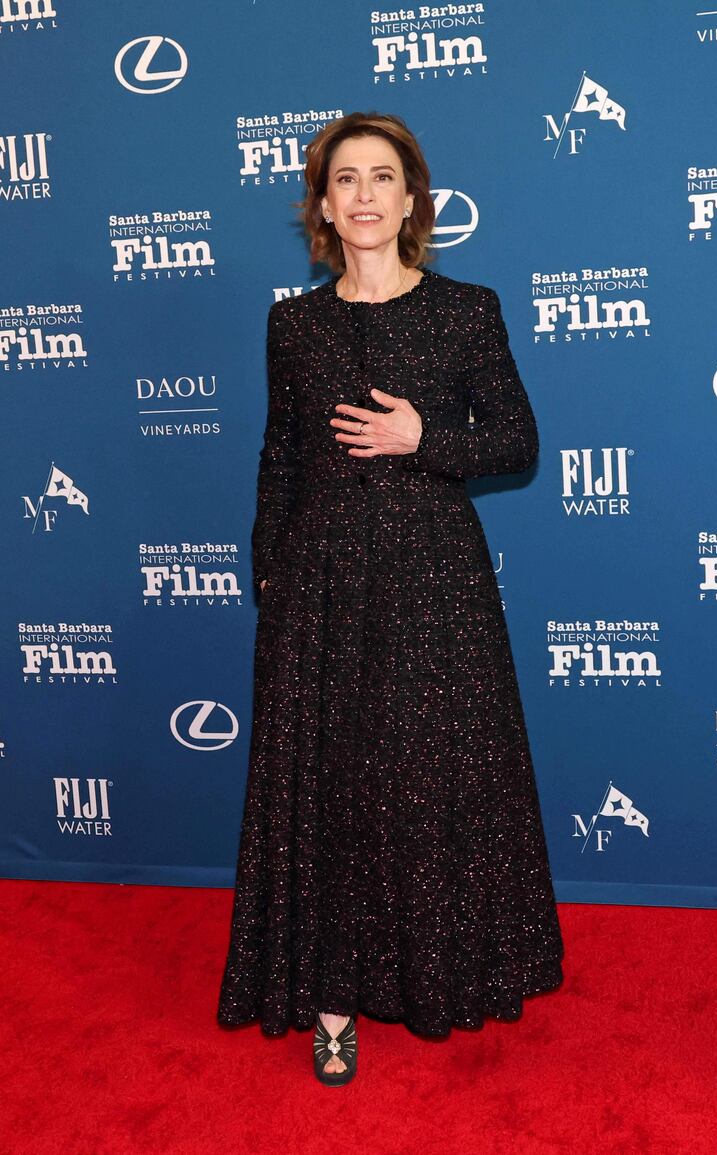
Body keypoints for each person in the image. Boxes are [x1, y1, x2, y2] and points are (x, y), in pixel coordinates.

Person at [217, 111, 564, 1086]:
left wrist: (426, 440)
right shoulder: (293, 323)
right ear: (321, 208)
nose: (363, 195)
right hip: (320, 585)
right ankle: (332, 1000)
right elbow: (278, 458)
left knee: (421, 779)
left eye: (381, 177)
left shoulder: (466, 310)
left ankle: (431, 973)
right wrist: (271, 578)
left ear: (412, 199)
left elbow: (516, 443)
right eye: (344, 181)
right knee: (327, 787)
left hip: (430, 582)